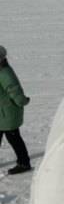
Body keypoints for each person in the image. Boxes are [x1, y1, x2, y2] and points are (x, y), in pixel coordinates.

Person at [0, 46, 32, 174]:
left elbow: (14, 90)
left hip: (8, 113)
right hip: (2, 113)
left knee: (14, 138)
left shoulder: (5, 73)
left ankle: (24, 163)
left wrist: (22, 101)